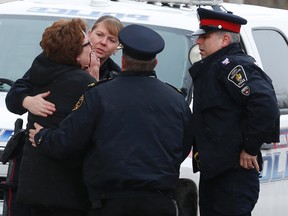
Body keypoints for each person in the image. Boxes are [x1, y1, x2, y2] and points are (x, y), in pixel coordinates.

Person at [29, 24, 193, 216]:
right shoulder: (176, 100)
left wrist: (42, 136)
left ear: (123, 60)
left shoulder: (99, 94)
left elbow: (69, 141)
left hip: (110, 202)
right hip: (159, 202)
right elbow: (183, 147)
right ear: (155, 62)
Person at [189, 8, 280, 216]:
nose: (199, 42)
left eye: (205, 36)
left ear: (225, 39)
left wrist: (250, 147)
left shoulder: (233, 67)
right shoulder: (213, 67)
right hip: (216, 171)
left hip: (232, 176)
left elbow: (265, 104)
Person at [5, 18, 99, 216]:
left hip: (34, 183)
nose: (93, 46)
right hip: (65, 186)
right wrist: (26, 100)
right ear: (74, 54)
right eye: (87, 44)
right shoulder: (83, 83)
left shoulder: (45, 66)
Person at [5, 15, 123, 117]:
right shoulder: (56, 60)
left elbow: (110, 117)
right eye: (99, 35)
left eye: (112, 40)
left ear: (117, 48)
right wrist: (27, 101)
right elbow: (13, 96)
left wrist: (95, 82)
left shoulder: (117, 78)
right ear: (89, 34)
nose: (103, 42)